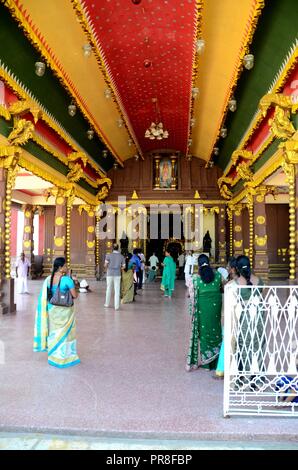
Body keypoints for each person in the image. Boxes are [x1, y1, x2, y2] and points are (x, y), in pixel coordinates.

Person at [33, 257, 80, 368]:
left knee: (54, 332)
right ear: (60, 267)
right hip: (65, 311)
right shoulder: (67, 280)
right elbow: (75, 296)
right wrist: (75, 282)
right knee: (65, 334)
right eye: (65, 265)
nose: (67, 267)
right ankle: (64, 358)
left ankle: (53, 356)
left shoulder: (48, 279)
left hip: (52, 310)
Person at [186, 254, 222, 371]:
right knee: (215, 330)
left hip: (202, 308)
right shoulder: (218, 276)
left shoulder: (195, 279)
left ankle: (206, 364)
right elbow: (223, 287)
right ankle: (217, 362)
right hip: (215, 308)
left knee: (204, 332)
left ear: (198, 264)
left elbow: (190, 295)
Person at [234, 255, 264, 376]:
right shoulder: (259, 281)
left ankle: (244, 375)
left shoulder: (236, 284)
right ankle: (258, 375)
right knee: (258, 344)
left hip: (245, 318)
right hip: (259, 317)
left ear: (237, 268)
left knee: (244, 345)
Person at [214, 257, 239, 380]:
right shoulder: (246, 282)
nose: (227, 268)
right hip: (242, 317)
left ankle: (222, 370)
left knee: (227, 344)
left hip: (232, 317)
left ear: (233, 269)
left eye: (229, 266)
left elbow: (225, 304)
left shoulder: (231, 285)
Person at [104, 244, 125, 310]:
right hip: (117, 274)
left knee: (109, 289)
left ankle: (107, 304)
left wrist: (108, 267)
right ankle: (117, 306)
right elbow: (124, 267)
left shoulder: (108, 255)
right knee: (117, 290)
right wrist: (119, 268)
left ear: (112, 248)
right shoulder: (121, 257)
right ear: (118, 248)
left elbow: (105, 265)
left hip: (109, 274)